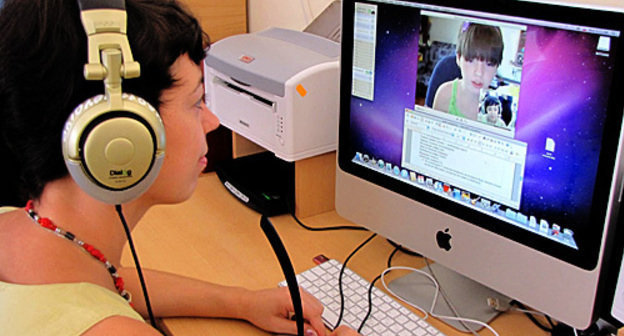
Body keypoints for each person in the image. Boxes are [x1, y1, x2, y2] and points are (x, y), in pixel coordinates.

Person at [0, 0, 360, 335]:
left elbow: (112, 279)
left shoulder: (21, 232)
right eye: (196, 102)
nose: (213, 120)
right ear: (120, 134)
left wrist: (242, 302)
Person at [432, 22, 504, 121]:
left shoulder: (497, 106)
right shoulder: (445, 94)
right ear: (458, 58)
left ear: (497, 66)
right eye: (471, 60)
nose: (479, 72)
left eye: (489, 63)